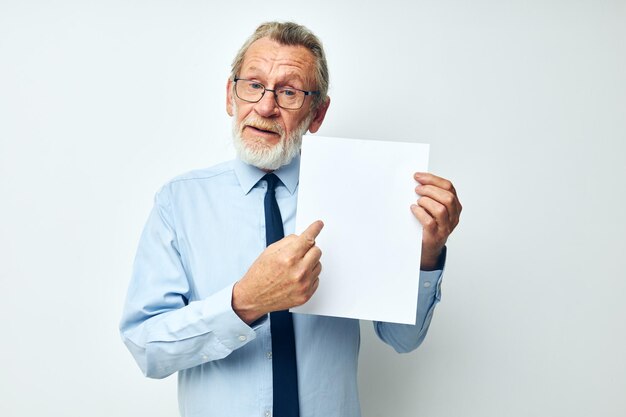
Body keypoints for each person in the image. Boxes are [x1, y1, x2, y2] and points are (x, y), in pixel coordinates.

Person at [120, 21, 462, 417]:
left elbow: (402, 340)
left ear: (317, 113)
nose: (265, 107)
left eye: (288, 92)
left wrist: (425, 255)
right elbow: (147, 347)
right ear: (230, 96)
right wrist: (244, 302)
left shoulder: (360, 195)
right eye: (253, 84)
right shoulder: (178, 202)